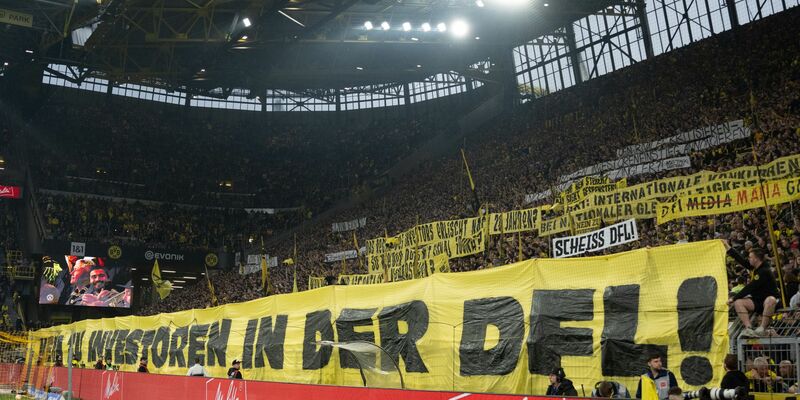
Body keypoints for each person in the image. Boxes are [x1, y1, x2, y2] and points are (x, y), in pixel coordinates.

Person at [724, 241, 780, 337]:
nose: (748, 259)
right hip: (757, 301)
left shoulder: (764, 271)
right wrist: (728, 247)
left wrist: (733, 298)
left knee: (770, 300)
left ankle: (762, 328)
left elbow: (750, 287)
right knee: (739, 302)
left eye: (750, 257)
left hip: (769, 302)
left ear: (756, 259)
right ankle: (749, 328)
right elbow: (742, 261)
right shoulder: (755, 267)